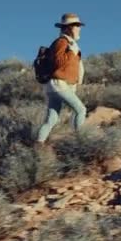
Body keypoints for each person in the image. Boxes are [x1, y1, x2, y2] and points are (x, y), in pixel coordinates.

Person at [37, 13, 87, 143]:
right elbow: (59, 62)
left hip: (55, 86)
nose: (79, 28)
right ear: (68, 28)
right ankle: (81, 141)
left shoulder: (70, 43)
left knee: (51, 119)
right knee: (81, 110)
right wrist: (72, 52)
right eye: (76, 26)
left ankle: (39, 143)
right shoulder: (62, 42)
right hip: (59, 84)